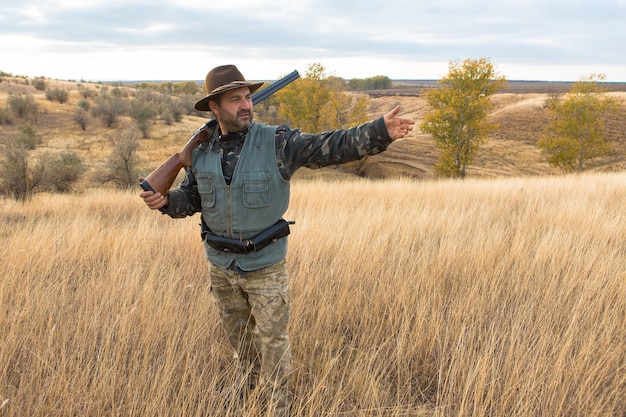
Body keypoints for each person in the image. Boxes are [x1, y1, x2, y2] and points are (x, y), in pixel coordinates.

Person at [139, 64, 415, 416]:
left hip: (265, 266)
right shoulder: (200, 153)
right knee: (240, 340)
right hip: (221, 267)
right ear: (214, 107)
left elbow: (328, 146)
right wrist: (165, 202)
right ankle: (247, 392)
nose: (246, 105)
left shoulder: (277, 142)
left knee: (273, 343)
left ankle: (278, 407)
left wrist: (380, 132)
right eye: (235, 99)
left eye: (248, 97)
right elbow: (191, 201)